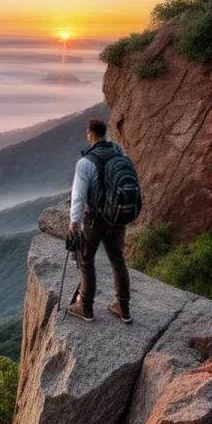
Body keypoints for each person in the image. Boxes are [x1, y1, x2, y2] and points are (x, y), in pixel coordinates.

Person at [67, 118, 132, 323]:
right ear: (105, 133)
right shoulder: (119, 152)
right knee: (118, 261)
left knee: (86, 261)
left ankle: (85, 307)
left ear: (90, 134)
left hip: (95, 219)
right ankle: (124, 308)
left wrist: (74, 222)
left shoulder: (85, 162)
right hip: (117, 217)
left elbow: (78, 195)